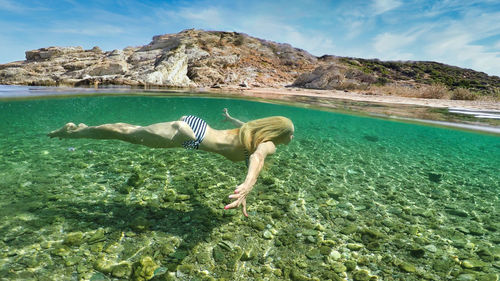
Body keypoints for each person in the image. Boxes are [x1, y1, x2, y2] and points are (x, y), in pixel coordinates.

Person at [48, 108, 294, 216]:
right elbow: (257, 157)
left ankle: (81, 129)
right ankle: (74, 131)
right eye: (290, 134)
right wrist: (248, 184)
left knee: (131, 133)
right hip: (189, 136)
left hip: (194, 130)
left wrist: (230, 118)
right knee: (127, 134)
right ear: (278, 135)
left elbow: (245, 130)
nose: (292, 138)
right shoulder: (267, 145)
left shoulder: (253, 132)